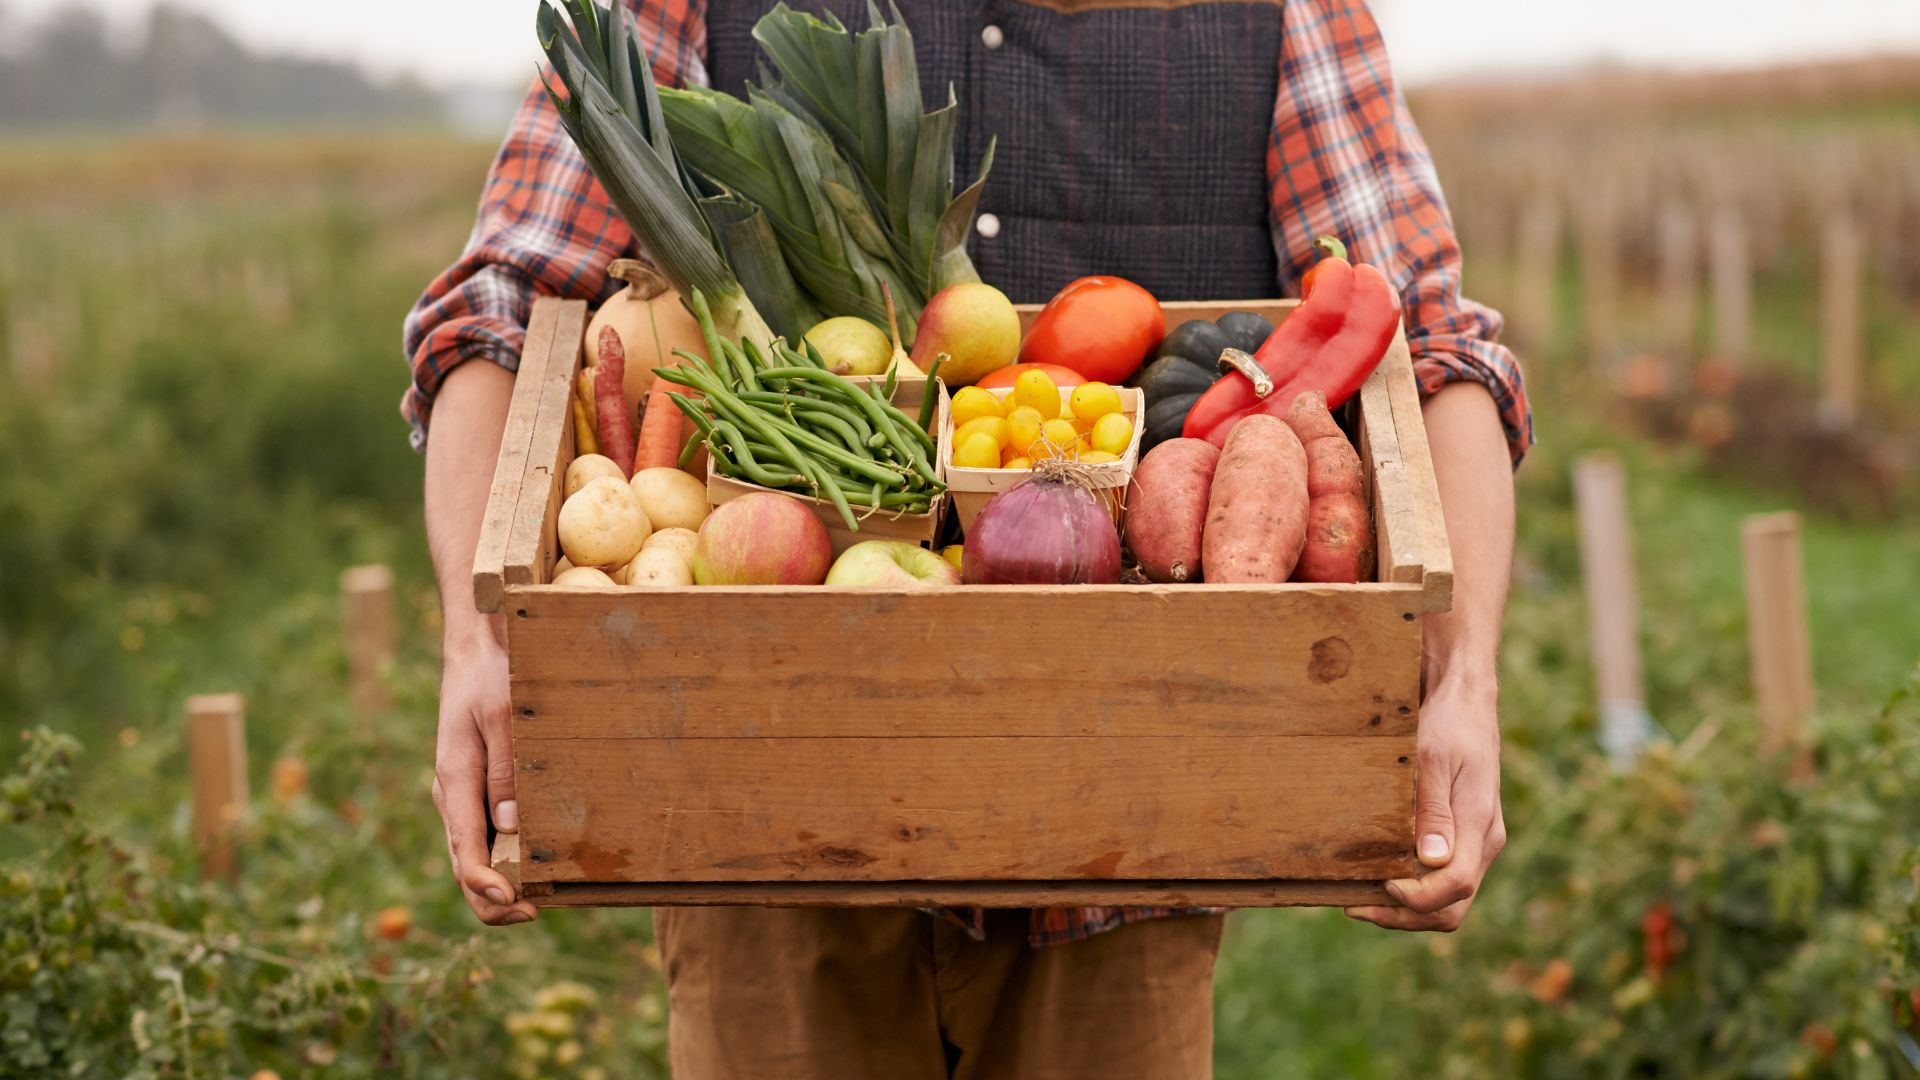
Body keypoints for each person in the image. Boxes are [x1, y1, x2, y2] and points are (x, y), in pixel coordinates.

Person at [405, 1, 1531, 1076]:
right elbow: (502, 310)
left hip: (1130, 835)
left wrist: (1464, 680)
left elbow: (1430, 343)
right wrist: (476, 645)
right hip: (767, 824)